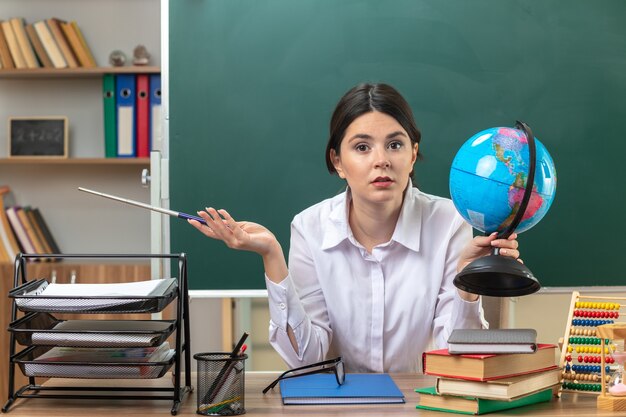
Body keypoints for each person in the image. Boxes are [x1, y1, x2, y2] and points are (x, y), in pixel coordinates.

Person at [188, 83, 521, 373]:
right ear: (337, 162)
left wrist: (467, 283)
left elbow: (455, 352)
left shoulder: (450, 222)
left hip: (419, 403)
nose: (382, 160)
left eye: (395, 144)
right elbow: (306, 360)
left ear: (414, 154)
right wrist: (271, 255)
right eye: (362, 147)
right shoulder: (309, 228)